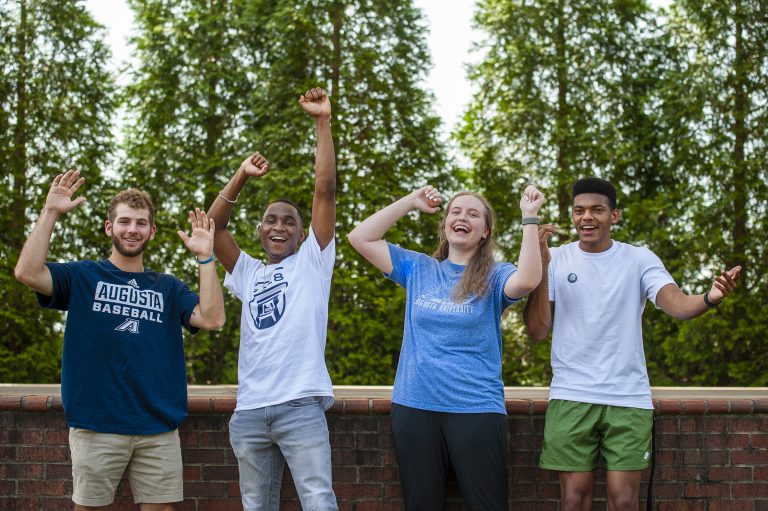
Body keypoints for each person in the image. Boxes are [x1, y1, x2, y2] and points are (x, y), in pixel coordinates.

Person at [523, 176, 742, 511]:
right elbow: (538, 330)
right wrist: (540, 266)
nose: (587, 217)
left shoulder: (639, 259)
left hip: (627, 397)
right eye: (579, 210)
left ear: (614, 216)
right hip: (571, 395)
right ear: (572, 215)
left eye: (597, 209)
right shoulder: (556, 258)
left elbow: (678, 305)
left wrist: (710, 297)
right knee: (572, 500)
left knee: (624, 501)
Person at [14, 172, 226, 511]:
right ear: (109, 228)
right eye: (124, 221)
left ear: (151, 232)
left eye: (141, 223)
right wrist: (50, 212)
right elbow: (26, 272)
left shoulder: (168, 287)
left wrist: (205, 257)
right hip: (96, 425)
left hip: (157, 428)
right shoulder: (84, 276)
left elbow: (213, 318)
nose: (132, 229)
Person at [347, 184, 545, 510]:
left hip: (476, 408)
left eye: (472, 214)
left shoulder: (495, 275)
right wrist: (411, 201)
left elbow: (527, 280)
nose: (462, 217)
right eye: (455, 211)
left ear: (484, 232)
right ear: (445, 224)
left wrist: (529, 218)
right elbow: (360, 238)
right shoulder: (419, 269)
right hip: (415, 407)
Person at [207, 87, 337, 511]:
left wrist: (322, 121)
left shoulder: (312, 262)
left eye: (289, 222)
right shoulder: (249, 272)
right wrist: (242, 174)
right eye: (270, 220)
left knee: (318, 501)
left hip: (300, 406)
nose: (278, 226)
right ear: (260, 230)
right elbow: (213, 228)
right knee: (255, 505)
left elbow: (325, 191)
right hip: (249, 412)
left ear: (302, 234)